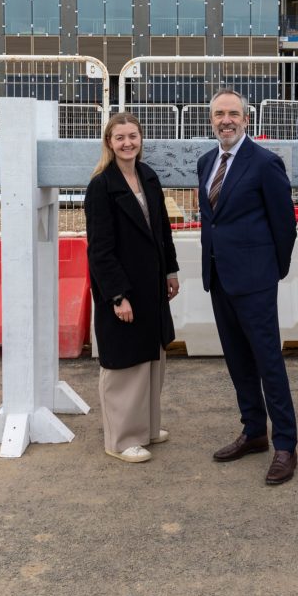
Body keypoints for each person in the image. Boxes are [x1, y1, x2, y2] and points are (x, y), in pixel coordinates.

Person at [198, 88, 298, 485]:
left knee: (268, 362)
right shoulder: (207, 161)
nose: (226, 119)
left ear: (246, 118)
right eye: (220, 113)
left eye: (233, 113)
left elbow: (285, 225)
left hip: (255, 280)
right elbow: (214, 220)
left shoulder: (264, 163)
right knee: (238, 361)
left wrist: (272, 272)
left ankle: (286, 444)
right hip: (219, 277)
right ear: (212, 120)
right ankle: (254, 431)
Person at [85, 113, 180, 463]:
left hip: (151, 284)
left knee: (153, 359)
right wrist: (117, 295)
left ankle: (148, 429)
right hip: (124, 288)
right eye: (120, 137)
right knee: (125, 365)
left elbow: (162, 231)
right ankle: (122, 439)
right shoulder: (101, 186)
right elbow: (99, 249)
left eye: (133, 136)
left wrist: (170, 270)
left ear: (141, 139)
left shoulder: (148, 177)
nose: (127, 143)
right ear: (109, 142)